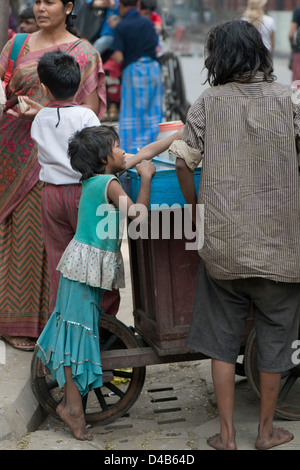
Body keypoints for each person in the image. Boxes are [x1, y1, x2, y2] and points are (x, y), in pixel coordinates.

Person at [172, 20, 300, 450]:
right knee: (276, 340)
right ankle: (266, 434)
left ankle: (226, 437)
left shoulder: (209, 102)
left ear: (218, 58)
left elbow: (184, 163)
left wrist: (196, 209)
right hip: (282, 246)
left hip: (222, 246)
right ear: (260, 53)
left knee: (223, 343)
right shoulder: (290, 100)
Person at [36, 124, 183, 441]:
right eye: (118, 147)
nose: (123, 150)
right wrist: (145, 178)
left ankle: (72, 404)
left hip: (82, 269)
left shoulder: (95, 178)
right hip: (83, 272)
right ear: (105, 158)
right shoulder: (110, 183)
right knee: (76, 337)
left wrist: (181, 136)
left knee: (77, 332)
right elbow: (138, 217)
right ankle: (71, 408)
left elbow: (145, 153)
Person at [0, 0, 106, 351]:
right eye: (37, 1)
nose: (41, 8)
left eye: (50, 1)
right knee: (20, 238)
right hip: (12, 157)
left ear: (69, 6)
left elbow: (88, 112)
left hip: (57, 164)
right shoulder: (17, 45)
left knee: (53, 245)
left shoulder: (83, 52)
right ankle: (12, 320)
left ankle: (51, 323)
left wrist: (41, 113)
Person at [110, 0, 163, 154]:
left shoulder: (121, 26)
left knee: (132, 112)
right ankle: (154, 150)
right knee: (152, 111)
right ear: (137, 5)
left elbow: (118, 56)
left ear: (121, 6)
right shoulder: (147, 23)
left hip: (133, 71)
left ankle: (133, 152)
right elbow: (155, 47)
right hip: (153, 69)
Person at [289, 4, 300, 82]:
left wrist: (292, 47)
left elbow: (291, 34)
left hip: (299, 51)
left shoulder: (298, 10)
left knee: (297, 84)